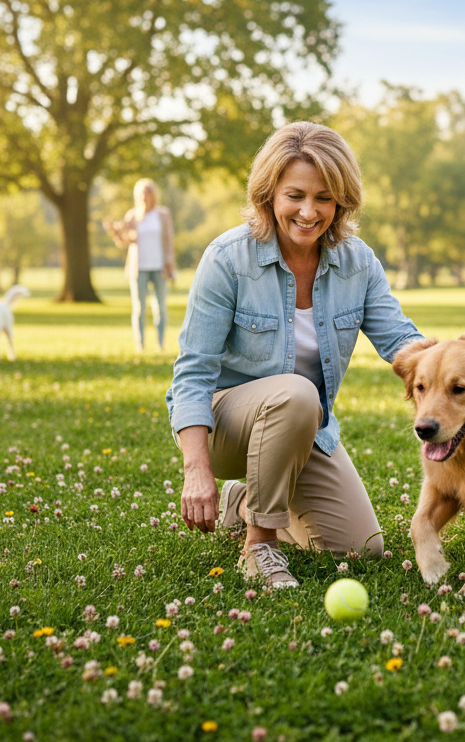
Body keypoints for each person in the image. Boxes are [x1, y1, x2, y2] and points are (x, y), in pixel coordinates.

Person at [167, 121, 423, 588]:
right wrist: (196, 470)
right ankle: (259, 544)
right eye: (295, 195)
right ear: (269, 195)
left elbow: (401, 340)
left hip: (303, 429)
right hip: (227, 428)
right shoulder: (227, 259)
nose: (309, 211)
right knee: (298, 394)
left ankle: (244, 501)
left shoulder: (358, 261)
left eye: (324, 198)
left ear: (341, 201)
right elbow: (193, 374)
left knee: (360, 548)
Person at [103, 179, 176, 351]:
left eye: (148, 192)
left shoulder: (163, 214)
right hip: (138, 268)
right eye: (142, 193)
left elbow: (169, 241)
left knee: (160, 307)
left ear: (153, 195)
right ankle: (140, 345)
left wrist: (170, 264)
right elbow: (125, 241)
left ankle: (160, 344)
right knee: (139, 308)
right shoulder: (133, 216)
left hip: (160, 267)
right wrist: (113, 231)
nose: (145, 196)